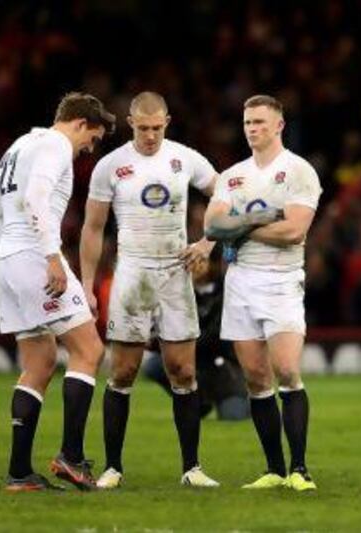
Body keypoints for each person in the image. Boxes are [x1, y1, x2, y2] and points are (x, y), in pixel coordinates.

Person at [80, 92, 228, 489]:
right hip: (132, 272)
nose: (150, 135)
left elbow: (225, 196)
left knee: (183, 370)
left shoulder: (185, 158)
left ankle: (192, 468)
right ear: (130, 123)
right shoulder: (111, 166)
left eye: (157, 128)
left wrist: (207, 244)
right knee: (123, 370)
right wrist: (86, 284)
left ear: (168, 121)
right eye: (143, 128)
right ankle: (113, 467)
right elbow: (93, 228)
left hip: (175, 274)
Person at [0, 92, 116, 491]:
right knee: (89, 350)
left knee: (39, 361)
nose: (88, 149)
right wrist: (49, 257)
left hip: (7, 258)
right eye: (91, 139)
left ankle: (20, 472)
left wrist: (10, 257)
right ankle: (71, 457)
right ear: (78, 123)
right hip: (35, 258)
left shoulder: (19, 146)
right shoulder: (55, 145)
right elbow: (36, 198)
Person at [204, 94, 322, 491]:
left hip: (281, 281)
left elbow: (294, 232)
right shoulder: (231, 175)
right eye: (247, 123)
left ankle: (300, 469)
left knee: (287, 370)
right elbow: (212, 228)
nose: (252, 128)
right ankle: (274, 469)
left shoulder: (298, 171)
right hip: (240, 282)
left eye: (259, 122)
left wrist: (239, 225)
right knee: (256, 378)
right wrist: (260, 219)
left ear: (279, 126)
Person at [141, 245, 250, 421]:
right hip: (195, 364)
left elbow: (214, 338)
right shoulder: (180, 293)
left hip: (225, 369)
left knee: (233, 417)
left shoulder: (229, 292)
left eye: (201, 260)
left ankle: (245, 402)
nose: (194, 265)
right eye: (190, 260)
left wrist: (165, 345)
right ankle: (197, 402)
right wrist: (154, 339)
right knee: (154, 365)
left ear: (213, 265)